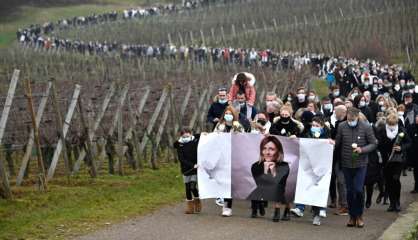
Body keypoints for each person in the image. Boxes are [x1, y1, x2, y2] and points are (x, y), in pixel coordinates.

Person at [334, 107, 377, 228]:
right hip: (346, 164)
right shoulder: (342, 126)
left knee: (358, 190)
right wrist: (331, 143)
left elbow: (374, 143)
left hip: (361, 164)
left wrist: (362, 150)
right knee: (350, 191)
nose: (350, 121)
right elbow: (337, 142)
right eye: (348, 119)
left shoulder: (366, 127)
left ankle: (359, 215)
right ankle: (352, 217)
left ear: (358, 117)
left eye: (352, 119)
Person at [291, 116, 330, 226]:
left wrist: (329, 143)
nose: (314, 127)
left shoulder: (327, 135)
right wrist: (296, 138)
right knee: (304, 185)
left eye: (317, 126)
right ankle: (299, 208)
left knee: (318, 188)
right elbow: (302, 143)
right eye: (313, 125)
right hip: (308, 165)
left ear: (322, 126)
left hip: (321, 166)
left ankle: (318, 212)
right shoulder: (307, 133)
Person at [247, 136, 289, 222]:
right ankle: (256, 207)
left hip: (278, 189)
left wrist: (273, 171)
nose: (267, 152)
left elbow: (281, 183)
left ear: (278, 151)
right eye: (264, 148)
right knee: (254, 191)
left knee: (279, 189)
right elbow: (259, 184)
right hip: (263, 188)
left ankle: (281, 210)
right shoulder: (255, 166)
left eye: (271, 149)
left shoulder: (284, 166)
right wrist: (266, 171)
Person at [375, 113, 411, 212]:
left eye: (393, 124)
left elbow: (409, 142)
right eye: (390, 124)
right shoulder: (381, 130)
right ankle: (392, 203)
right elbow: (378, 143)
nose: (391, 126)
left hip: (398, 159)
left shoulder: (401, 130)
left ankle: (397, 201)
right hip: (386, 159)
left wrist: (401, 147)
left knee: (395, 179)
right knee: (389, 181)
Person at [213, 106, 245, 216]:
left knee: (229, 182)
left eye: (230, 113)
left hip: (233, 157)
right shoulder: (219, 126)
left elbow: (243, 140)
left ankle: (228, 207)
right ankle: (221, 200)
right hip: (222, 156)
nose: (228, 115)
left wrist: (237, 132)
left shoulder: (238, 126)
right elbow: (214, 138)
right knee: (222, 180)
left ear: (234, 115)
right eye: (226, 113)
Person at [173, 128, 202, 214]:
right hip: (186, 169)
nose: (186, 136)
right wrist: (191, 165)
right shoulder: (180, 145)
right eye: (183, 135)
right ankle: (190, 207)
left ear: (190, 133)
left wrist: (203, 134)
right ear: (181, 135)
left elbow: (201, 137)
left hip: (196, 168)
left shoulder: (195, 141)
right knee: (187, 188)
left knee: (193, 186)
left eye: (187, 134)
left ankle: (197, 202)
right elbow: (181, 159)